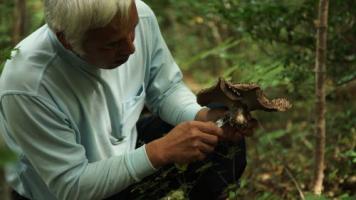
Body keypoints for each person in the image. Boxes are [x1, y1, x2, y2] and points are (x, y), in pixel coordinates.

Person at [0, 0, 254, 199]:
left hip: (126, 156)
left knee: (215, 136)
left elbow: (164, 90)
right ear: (66, 39)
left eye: (132, 31)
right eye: (112, 44)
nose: (131, 48)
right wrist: (160, 151)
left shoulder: (139, 16)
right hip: (66, 192)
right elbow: (72, 186)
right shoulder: (27, 84)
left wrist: (203, 117)